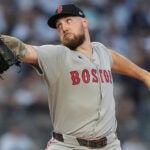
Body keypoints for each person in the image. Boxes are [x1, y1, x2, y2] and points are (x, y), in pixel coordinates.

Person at [1, 4, 150, 150]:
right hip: (68, 145)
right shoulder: (56, 55)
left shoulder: (101, 51)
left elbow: (115, 59)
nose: (63, 27)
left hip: (109, 144)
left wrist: (144, 75)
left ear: (84, 22)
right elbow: (25, 49)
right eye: (59, 26)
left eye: (68, 21)